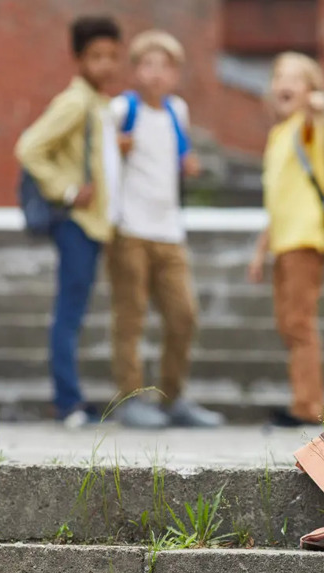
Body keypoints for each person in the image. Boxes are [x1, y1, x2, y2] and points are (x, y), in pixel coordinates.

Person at [105, 30, 223, 429]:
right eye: (147, 64)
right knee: (131, 316)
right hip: (129, 230)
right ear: (135, 70)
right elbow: (103, 160)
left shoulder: (178, 110)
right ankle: (130, 398)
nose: (156, 74)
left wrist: (188, 163)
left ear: (175, 74)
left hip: (169, 231)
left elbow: (178, 152)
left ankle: (173, 398)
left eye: (165, 66)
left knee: (183, 315)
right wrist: (114, 150)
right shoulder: (122, 109)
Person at [15, 15, 122, 428]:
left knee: (74, 309)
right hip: (76, 223)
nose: (106, 65)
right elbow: (29, 147)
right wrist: (66, 189)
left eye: (113, 56)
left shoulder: (99, 102)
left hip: (95, 225)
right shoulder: (76, 101)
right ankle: (67, 402)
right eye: (96, 56)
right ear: (78, 58)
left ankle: (71, 398)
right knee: (69, 311)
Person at [247, 52, 324, 427]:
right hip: (283, 240)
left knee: (299, 323)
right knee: (288, 324)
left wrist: (317, 107)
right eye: (278, 76)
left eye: (295, 78)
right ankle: (303, 400)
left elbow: (319, 121)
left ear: (310, 89)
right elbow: (277, 199)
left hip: (305, 238)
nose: (284, 83)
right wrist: (260, 251)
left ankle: (308, 406)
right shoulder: (278, 134)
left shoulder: (306, 127)